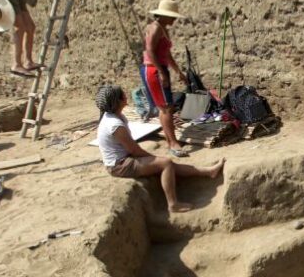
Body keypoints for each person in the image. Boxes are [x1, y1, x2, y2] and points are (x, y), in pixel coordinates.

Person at [95, 84, 224, 213]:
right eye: (123, 94)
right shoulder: (115, 125)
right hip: (120, 165)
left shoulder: (115, 117)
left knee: (168, 164)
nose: (125, 95)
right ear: (119, 101)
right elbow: (133, 150)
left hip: (124, 159)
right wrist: (152, 158)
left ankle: (208, 172)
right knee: (166, 164)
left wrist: (152, 159)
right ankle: (173, 204)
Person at [142, 0, 191, 157]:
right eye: (172, 16)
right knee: (165, 107)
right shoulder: (155, 28)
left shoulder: (163, 28)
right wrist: (161, 72)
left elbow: (166, 54)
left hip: (159, 68)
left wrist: (178, 72)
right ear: (163, 16)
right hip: (153, 70)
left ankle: (172, 141)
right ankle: (173, 143)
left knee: (165, 107)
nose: (174, 20)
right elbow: (150, 50)